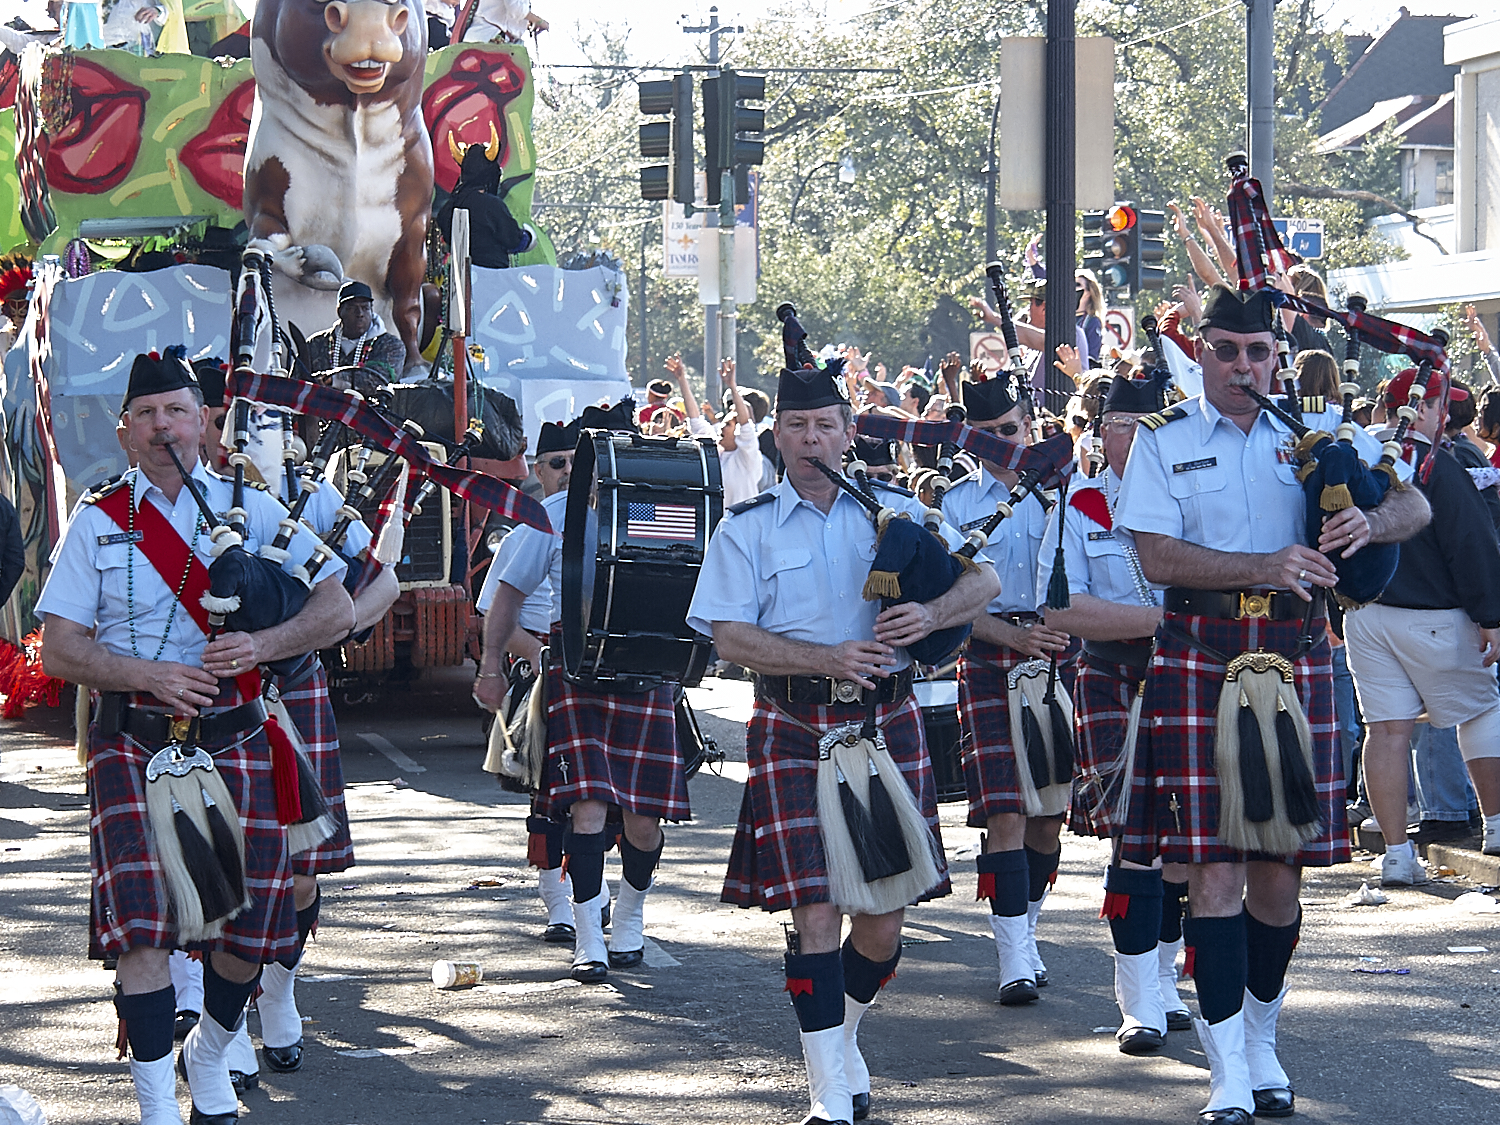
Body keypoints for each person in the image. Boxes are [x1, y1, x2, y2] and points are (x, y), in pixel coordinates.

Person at [1114, 285, 1429, 1125]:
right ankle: (1224, 1072)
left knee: (1279, 877)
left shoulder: (1320, 432)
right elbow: (1155, 554)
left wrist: (1370, 523)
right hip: (1199, 651)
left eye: (1258, 351)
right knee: (1214, 868)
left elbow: (1416, 502)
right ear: (1202, 351)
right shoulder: (1164, 438)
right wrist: (1263, 564)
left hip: (1298, 654)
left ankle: (1260, 1041)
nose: (1243, 366)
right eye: (1225, 350)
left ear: (1277, 357)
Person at [36, 348, 356, 1125]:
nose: (163, 426)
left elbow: (338, 606)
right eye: (146, 414)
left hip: (238, 735)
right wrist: (143, 672)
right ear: (124, 432)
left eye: (176, 411)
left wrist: (261, 645)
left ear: (204, 421)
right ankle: (155, 1106)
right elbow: (61, 649)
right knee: (144, 930)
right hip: (135, 741)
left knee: (246, 932)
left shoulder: (253, 508)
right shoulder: (98, 520)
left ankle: (210, 1050)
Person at [687, 358, 997, 1125]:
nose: (811, 438)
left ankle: (844, 1031)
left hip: (883, 726)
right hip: (793, 726)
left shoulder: (894, 512)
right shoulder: (746, 527)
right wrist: (824, 658)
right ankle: (828, 1090)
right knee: (816, 912)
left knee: (883, 923)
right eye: (796, 425)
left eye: (825, 424)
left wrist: (931, 614)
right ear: (776, 434)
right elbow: (729, 636)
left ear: (848, 431)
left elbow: (985, 580)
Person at [472, 399, 685, 985]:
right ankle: (588, 935)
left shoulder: (657, 509)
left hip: (644, 667)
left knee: (643, 820)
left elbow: (690, 581)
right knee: (585, 808)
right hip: (575, 667)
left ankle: (630, 914)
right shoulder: (550, 516)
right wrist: (491, 667)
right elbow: (506, 595)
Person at [1035, 373, 1192, 1055]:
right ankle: (1138, 1000)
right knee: (1135, 836)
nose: (1131, 437)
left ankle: (1165, 976)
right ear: (1100, 432)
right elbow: (1060, 608)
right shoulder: (1079, 501)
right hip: (1113, 676)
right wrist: (1165, 622)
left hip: (1189, 677)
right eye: (1119, 424)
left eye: (1144, 425)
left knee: (1187, 841)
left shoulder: (1190, 498)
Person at [940, 371, 1073, 1006]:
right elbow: (948, 604)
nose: (1001, 443)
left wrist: (1051, 632)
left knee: (1048, 817)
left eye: (1010, 430)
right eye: (987, 434)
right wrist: (1009, 636)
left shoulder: (1064, 493)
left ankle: (1029, 930)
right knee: (1006, 811)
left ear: (1029, 426)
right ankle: (1012, 955)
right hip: (990, 656)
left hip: (1057, 654)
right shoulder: (956, 505)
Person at [1344, 366, 1500, 870]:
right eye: (1440, 405)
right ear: (1424, 407)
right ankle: (1497, 827)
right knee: (1481, 712)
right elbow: (1470, 541)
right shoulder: (1434, 463)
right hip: (1433, 614)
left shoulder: (1353, 453)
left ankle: (1396, 855)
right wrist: (1491, 614)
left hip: (1364, 616)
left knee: (1386, 731)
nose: (1446, 415)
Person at [475, 418, 586, 943]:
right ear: (537, 471)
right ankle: (558, 904)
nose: (567, 472)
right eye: (557, 463)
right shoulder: (526, 530)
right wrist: (541, 656)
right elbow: (494, 613)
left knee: (606, 798)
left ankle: (594, 895)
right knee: (549, 797)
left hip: (594, 667)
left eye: (576, 462)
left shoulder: (605, 521)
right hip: (541, 668)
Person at [672, 355, 764, 507]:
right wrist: (682, 380)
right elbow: (695, 420)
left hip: (741, 522)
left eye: (727, 424)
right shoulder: (715, 451)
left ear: (738, 431)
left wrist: (732, 387)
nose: (721, 427)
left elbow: (745, 424)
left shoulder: (748, 458)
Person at [435, 136, 537, 270]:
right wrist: (528, 237)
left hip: (458, 275)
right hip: (492, 276)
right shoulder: (492, 205)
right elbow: (514, 241)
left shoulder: (448, 209)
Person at [305, 282, 406, 397]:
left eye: (365, 308)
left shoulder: (391, 345)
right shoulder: (316, 343)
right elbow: (297, 380)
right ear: (340, 311)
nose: (360, 314)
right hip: (319, 405)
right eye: (352, 308)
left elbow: (381, 379)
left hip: (371, 407)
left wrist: (334, 379)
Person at [1076, 269, 1105, 366]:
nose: (1073, 288)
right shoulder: (1062, 317)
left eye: (1077, 285)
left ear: (1089, 292)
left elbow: (1092, 356)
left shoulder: (1092, 322)